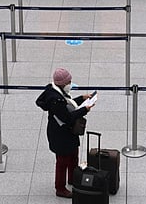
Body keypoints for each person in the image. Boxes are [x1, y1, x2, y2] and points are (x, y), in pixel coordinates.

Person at [36, 67, 94, 198]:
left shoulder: (58, 92)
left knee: (74, 155)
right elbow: (67, 117)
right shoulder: (55, 99)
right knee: (62, 161)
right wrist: (85, 109)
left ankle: (73, 178)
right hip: (60, 135)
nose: (70, 85)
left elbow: (69, 104)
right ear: (62, 84)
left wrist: (82, 99)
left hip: (67, 133)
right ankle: (60, 188)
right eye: (69, 82)